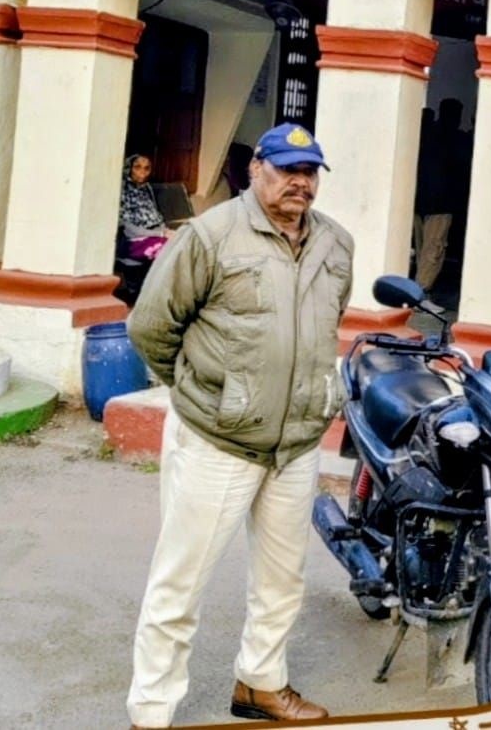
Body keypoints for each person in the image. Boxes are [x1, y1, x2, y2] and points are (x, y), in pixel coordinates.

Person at [125, 122, 353, 728]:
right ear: (256, 169)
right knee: (180, 583)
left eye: (309, 172)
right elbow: (151, 326)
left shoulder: (336, 244)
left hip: (296, 444)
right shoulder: (210, 235)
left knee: (282, 580)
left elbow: (322, 328)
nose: (299, 182)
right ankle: (151, 710)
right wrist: (206, 392)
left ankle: (260, 683)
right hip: (218, 441)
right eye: (286, 169)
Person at [412, 98, 472, 294]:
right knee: (434, 248)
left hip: (421, 199)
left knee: (424, 248)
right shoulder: (457, 139)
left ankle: (418, 289)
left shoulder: (426, 134)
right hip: (442, 202)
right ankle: (421, 291)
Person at [119, 154, 172, 262]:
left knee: (181, 241)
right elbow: (128, 229)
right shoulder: (122, 189)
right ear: (129, 169)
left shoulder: (147, 189)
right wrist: (161, 234)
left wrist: (166, 231)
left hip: (154, 234)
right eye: (137, 167)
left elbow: (155, 218)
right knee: (166, 248)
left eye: (146, 168)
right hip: (132, 239)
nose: (142, 172)